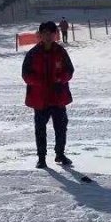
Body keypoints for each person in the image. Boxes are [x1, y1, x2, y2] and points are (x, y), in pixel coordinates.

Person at [22, 21, 74, 168]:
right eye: (45, 33)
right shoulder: (33, 54)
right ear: (40, 35)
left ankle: (60, 154)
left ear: (55, 35)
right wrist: (39, 81)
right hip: (40, 99)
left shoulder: (61, 52)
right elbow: (26, 75)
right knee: (40, 129)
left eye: (51, 33)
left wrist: (60, 78)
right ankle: (41, 158)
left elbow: (69, 71)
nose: (48, 36)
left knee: (61, 128)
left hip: (58, 98)